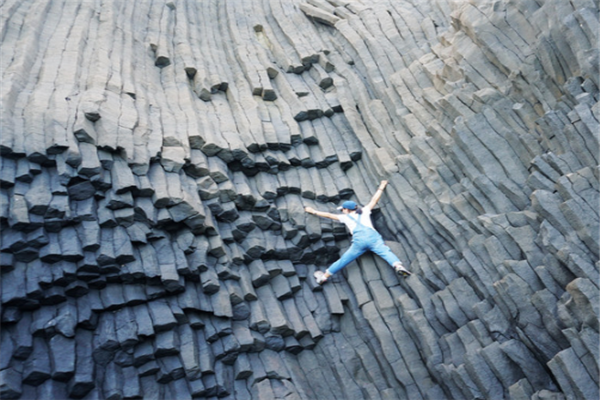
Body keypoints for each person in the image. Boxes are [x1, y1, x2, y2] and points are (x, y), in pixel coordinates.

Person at [304, 180, 411, 285]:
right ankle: (398, 266)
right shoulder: (365, 211)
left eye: (343, 209)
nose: (342, 211)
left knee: (345, 259)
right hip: (373, 238)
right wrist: (382, 186)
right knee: (386, 252)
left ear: (347, 210)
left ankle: (323, 277)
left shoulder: (345, 217)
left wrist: (313, 211)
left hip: (360, 241)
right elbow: (374, 200)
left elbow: (328, 215)